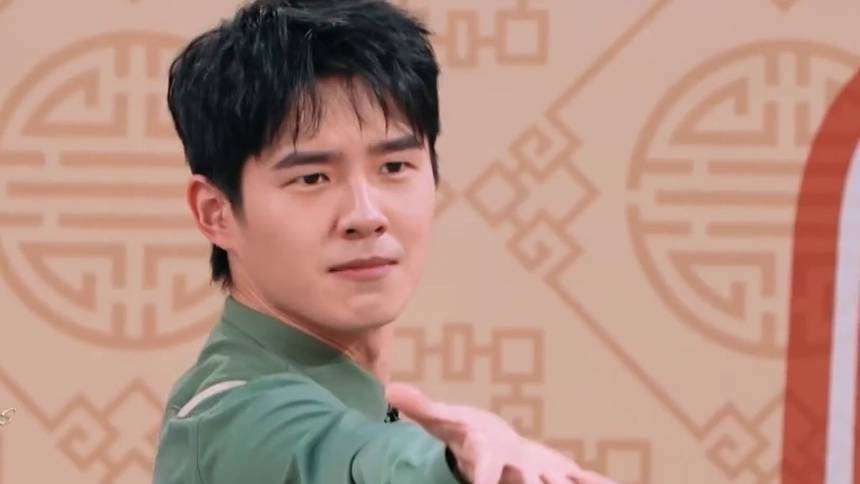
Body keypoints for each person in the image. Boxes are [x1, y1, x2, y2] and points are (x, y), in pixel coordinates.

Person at [152, 1, 615, 483]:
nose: (366, 215)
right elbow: (351, 458)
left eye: (394, 167)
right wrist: (454, 469)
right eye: (311, 177)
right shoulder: (236, 417)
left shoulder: (359, 399)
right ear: (216, 212)